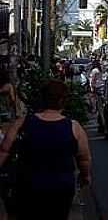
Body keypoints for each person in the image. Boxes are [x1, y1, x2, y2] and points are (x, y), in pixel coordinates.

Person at [0, 80, 92, 220]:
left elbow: (4, 150)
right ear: (63, 101)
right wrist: (85, 177)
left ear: (42, 99)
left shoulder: (23, 123)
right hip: (61, 188)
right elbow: (84, 159)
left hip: (28, 186)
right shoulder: (74, 127)